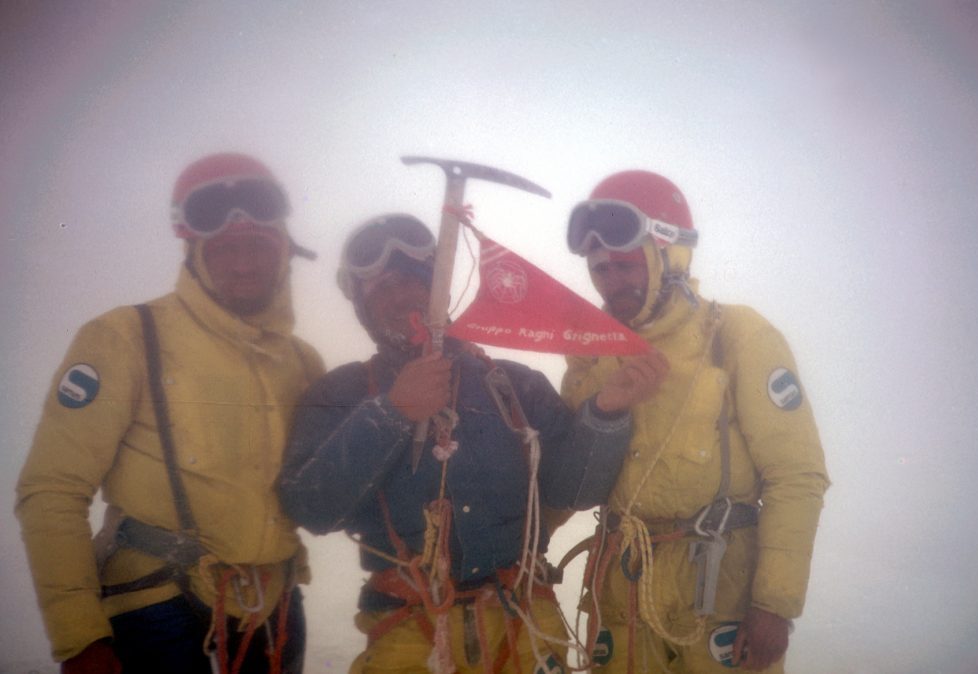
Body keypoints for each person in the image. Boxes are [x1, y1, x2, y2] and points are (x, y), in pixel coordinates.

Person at [277, 214, 667, 674]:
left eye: (412, 280)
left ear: (440, 287)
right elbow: (312, 507)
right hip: (406, 625)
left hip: (523, 618)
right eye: (381, 287)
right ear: (360, 302)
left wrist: (605, 414)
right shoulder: (340, 396)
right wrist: (392, 413)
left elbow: (572, 492)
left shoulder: (513, 386)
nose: (400, 296)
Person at [16, 152, 324, 674]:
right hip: (157, 612)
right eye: (225, 249)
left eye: (257, 245)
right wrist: (79, 637)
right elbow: (52, 489)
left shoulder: (302, 362)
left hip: (277, 616)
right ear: (194, 251)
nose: (244, 263)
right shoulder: (127, 337)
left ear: (285, 250)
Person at [561, 171, 829, 673]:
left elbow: (796, 474)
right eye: (599, 269)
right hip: (621, 594)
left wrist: (775, 606)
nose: (610, 281)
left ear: (669, 256)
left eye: (624, 265)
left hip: (719, 597)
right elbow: (569, 477)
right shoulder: (590, 355)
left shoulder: (737, 336)